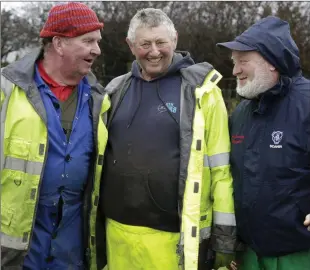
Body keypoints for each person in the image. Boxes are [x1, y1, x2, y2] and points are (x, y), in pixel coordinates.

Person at [99, 8, 237, 270]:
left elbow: (221, 171)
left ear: (174, 39)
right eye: (145, 44)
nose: (154, 51)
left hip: (174, 241)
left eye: (161, 42)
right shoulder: (114, 91)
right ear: (130, 46)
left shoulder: (203, 92)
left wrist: (224, 241)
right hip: (117, 236)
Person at [0, 2, 109, 269]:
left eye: (97, 41)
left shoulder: (100, 99)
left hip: (72, 248)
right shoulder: (6, 90)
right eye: (88, 41)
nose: (97, 50)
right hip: (16, 248)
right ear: (59, 44)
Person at [217, 16, 310, 270]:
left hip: (298, 255)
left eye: (243, 61)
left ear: (273, 61)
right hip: (249, 255)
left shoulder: (306, 104)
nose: (235, 70)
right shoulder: (241, 113)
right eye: (234, 62)